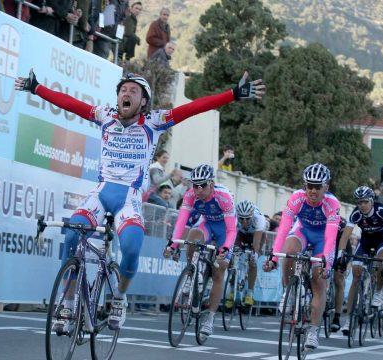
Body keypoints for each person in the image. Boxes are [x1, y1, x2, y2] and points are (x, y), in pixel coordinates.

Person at [15, 69, 264, 330]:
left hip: (129, 198)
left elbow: (194, 108)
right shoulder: (105, 116)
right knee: (72, 236)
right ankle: (67, 303)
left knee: (132, 247)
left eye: (133, 91)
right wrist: (36, 87)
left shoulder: (154, 122)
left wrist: (233, 94)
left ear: (143, 101)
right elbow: (70, 104)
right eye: (123, 89)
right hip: (100, 194)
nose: (126, 93)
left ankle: (119, 298)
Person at [262, 163, 341, 350]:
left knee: (319, 281)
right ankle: (288, 293)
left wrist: (326, 265)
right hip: (303, 232)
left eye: (317, 187)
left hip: (323, 239)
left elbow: (330, 238)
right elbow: (283, 230)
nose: (313, 190)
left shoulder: (332, 204)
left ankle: (313, 330)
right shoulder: (297, 198)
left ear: (326, 187)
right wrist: (274, 257)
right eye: (309, 186)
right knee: (289, 251)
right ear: (304, 186)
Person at [163, 164, 237, 338]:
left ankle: (210, 317)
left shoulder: (223, 196)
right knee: (192, 238)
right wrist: (173, 245)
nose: (198, 189)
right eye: (194, 185)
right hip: (207, 224)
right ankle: (192, 272)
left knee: (219, 272)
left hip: (225, 230)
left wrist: (225, 248)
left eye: (202, 185)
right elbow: (182, 222)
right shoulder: (190, 195)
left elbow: (232, 230)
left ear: (211, 183)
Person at [337, 186, 383, 335]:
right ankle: (348, 320)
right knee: (355, 277)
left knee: (382, 260)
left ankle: (379, 292)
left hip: (381, 242)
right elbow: (345, 236)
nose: (362, 205)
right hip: (365, 244)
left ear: (372, 201)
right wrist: (340, 256)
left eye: (365, 202)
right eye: (359, 202)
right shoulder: (356, 214)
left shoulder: (381, 210)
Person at [227, 200, 266, 307]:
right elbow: (231, 236)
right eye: (241, 218)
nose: (244, 221)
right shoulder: (233, 216)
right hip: (241, 234)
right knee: (231, 257)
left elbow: (256, 243)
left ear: (252, 215)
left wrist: (255, 253)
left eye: (247, 218)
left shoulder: (259, 219)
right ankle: (232, 290)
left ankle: (250, 293)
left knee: (253, 261)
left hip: (256, 235)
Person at [330, 217, 351, 332]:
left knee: (338, 280)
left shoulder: (341, 222)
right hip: (326, 249)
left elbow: (344, 244)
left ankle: (337, 317)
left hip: (341, 249)